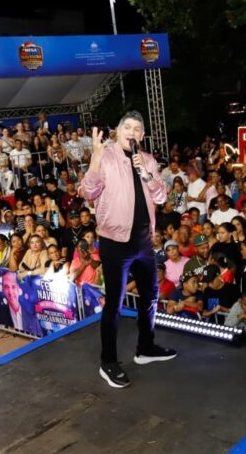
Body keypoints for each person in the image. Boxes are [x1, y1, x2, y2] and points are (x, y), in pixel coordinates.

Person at [78, 111, 175, 389]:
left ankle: (146, 348)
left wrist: (147, 175)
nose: (132, 132)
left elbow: (160, 196)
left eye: (137, 129)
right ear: (118, 131)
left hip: (144, 240)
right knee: (115, 304)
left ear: (141, 136)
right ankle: (108, 362)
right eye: (127, 127)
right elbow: (88, 191)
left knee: (150, 295)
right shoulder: (106, 156)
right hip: (114, 241)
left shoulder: (146, 160)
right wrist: (95, 156)